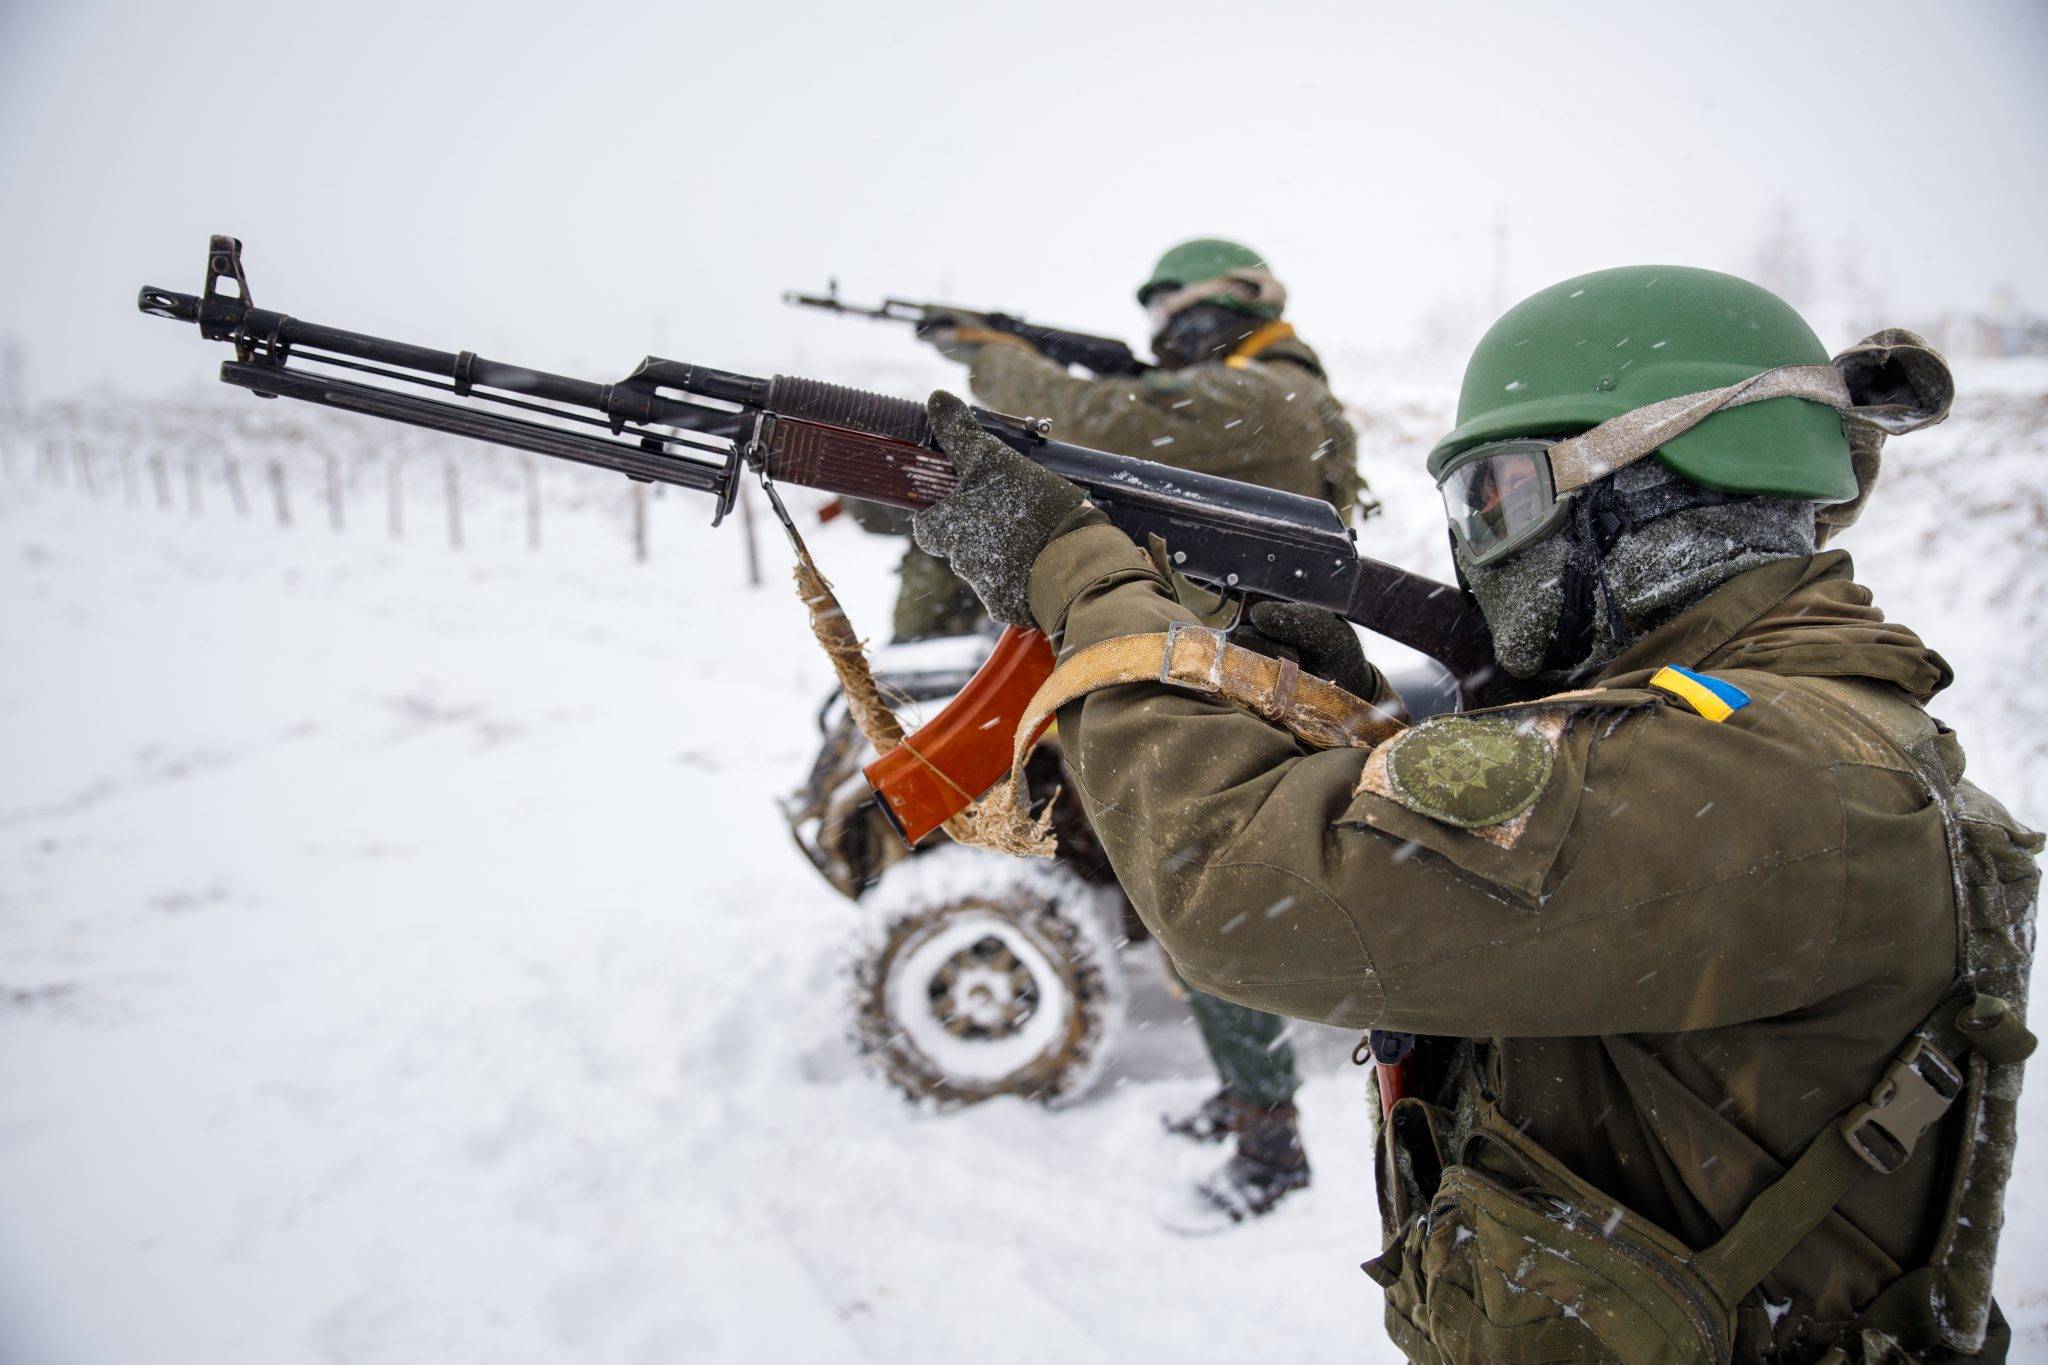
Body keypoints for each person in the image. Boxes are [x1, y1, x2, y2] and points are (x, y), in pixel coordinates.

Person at [906, 264, 2038, 1362]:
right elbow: (1493, 870)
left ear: (1648, 490)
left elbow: (1238, 887)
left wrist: (1082, 582)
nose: (1475, 545)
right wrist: (1310, 702)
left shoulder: (1769, 774)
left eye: (1496, 497)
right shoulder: (1763, 735)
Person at [916, 238, 1368, 1229]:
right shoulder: (1245, 392)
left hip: (1255, 672)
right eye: (1156, 317)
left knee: (1210, 897)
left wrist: (991, 354)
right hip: (1226, 660)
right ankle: (1245, 1097)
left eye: (1180, 311)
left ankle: (1271, 1146)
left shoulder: (1273, 392)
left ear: (1245, 303)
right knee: (1181, 892)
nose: (1164, 332)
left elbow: (1093, 420)